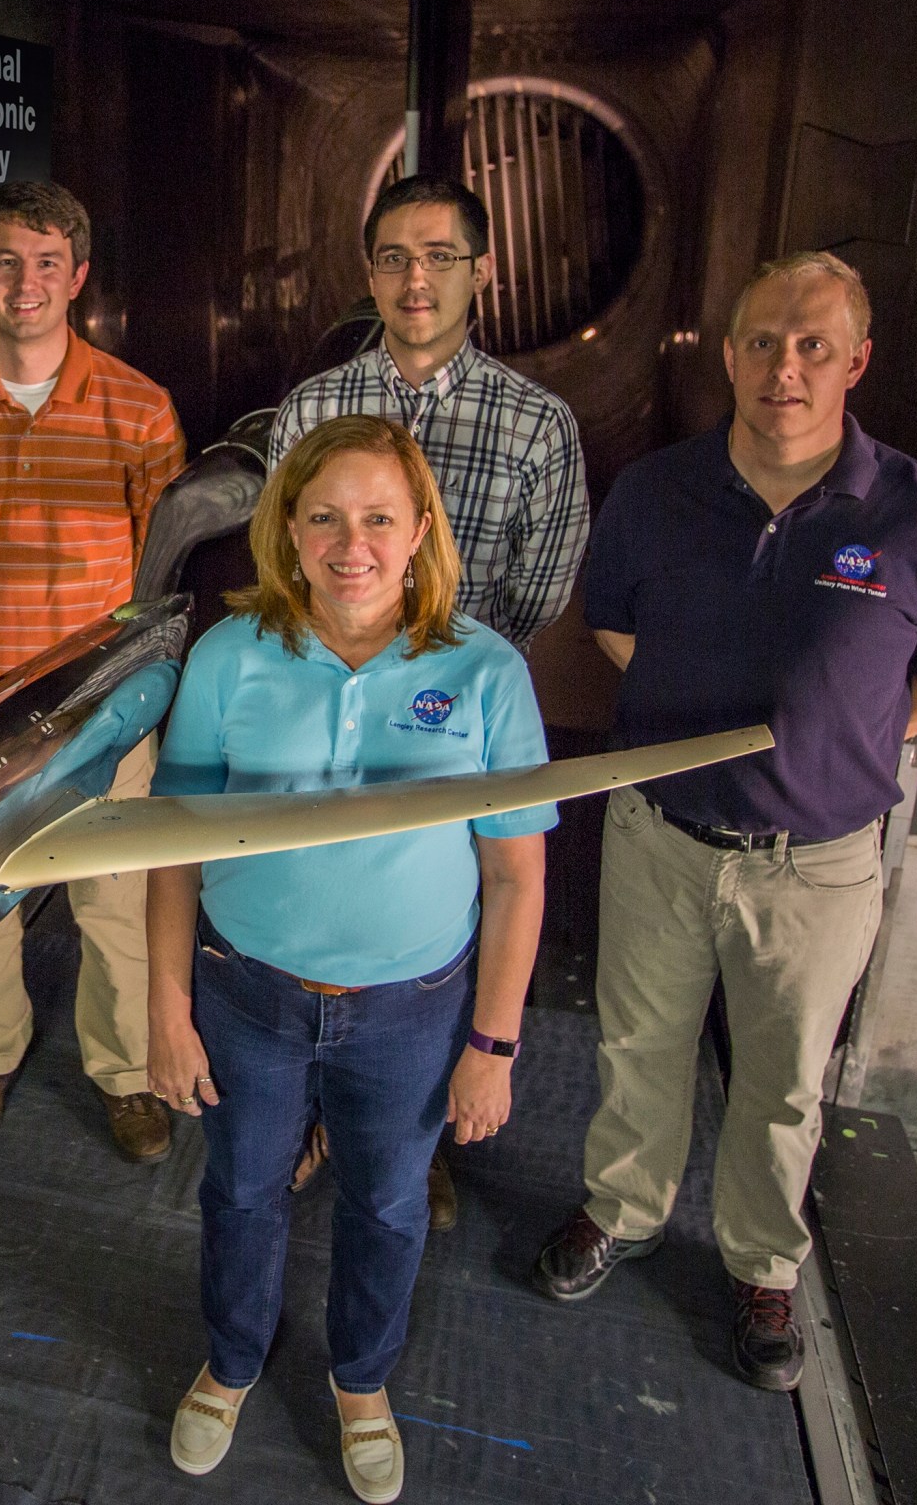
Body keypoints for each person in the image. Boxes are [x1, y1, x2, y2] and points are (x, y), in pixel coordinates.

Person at [533, 252, 917, 1391]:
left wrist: (847, 736)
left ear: (855, 360)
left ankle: (760, 1264)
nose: (781, 367)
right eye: (759, 342)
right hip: (658, 836)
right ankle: (623, 1208)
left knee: (784, 1078)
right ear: (727, 354)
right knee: (635, 1045)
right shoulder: (656, 491)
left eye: (808, 345)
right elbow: (613, 630)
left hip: (817, 865)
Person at [146, 414, 554, 1503]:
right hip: (247, 994)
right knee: (239, 1190)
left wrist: (492, 1043)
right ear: (285, 527)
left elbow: (515, 879)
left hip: (411, 1009)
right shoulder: (230, 654)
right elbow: (171, 852)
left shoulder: (483, 670)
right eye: (321, 516)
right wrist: (167, 1009)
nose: (350, 543)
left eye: (377, 517)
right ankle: (231, 1363)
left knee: (385, 1205)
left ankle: (360, 1385)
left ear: (420, 529)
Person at [269, 173, 588, 1229]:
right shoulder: (312, 408)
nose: (416, 279)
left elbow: (537, 595)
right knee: (316, 929)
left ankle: (412, 1135)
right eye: (395, 258)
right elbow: (282, 557)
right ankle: (315, 1114)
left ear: (480, 272)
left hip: (453, 731)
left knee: (438, 932)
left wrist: (446, 683)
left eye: (439, 257)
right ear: (368, 274)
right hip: (311, 720)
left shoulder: (536, 426)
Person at [0, 180, 186, 1164]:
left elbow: (159, 577)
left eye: (47, 263)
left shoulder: (140, 410)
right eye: (7, 262)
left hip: (101, 711)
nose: (26, 283)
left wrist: (138, 700)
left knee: (116, 910)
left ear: (79, 279)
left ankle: (125, 1075)